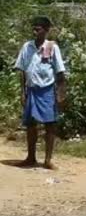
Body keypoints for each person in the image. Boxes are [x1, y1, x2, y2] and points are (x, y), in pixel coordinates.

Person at [14, 16, 67, 170]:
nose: (35, 31)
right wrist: (22, 92)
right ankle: (31, 157)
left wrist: (60, 94)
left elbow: (60, 73)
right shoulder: (27, 47)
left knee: (50, 124)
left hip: (47, 90)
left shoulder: (51, 47)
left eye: (38, 29)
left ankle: (48, 160)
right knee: (31, 124)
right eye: (34, 28)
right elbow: (22, 72)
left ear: (46, 30)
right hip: (31, 90)